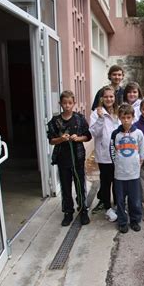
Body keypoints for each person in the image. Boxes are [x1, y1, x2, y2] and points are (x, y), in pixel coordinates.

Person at [47, 90, 92, 226]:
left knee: (80, 183)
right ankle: (68, 212)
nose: (67, 106)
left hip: (77, 157)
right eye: (64, 103)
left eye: (70, 103)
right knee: (66, 186)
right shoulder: (55, 121)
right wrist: (61, 139)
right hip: (62, 158)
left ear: (74, 103)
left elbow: (88, 136)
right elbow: (51, 140)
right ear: (60, 104)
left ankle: (83, 209)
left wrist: (77, 138)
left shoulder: (79, 118)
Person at [110, 104, 144, 233]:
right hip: (119, 174)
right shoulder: (115, 134)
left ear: (133, 117)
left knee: (135, 200)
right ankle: (122, 221)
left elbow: (142, 151)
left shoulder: (138, 133)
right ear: (119, 118)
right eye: (123, 117)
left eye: (128, 117)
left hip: (134, 173)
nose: (126, 120)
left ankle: (135, 220)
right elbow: (112, 151)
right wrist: (117, 163)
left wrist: (138, 164)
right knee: (120, 200)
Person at [89, 86, 120, 222]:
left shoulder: (119, 111)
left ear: (115, 98)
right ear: (101, 98)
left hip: (119, 154)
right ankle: (107, 207)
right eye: (106, 96)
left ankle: (118, 205)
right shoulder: (96, 113)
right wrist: (101, 118)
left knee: (117, 181)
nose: (109, 99)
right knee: (106, 182)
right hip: (104, 155)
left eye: (111, 96)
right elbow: (93, 132)